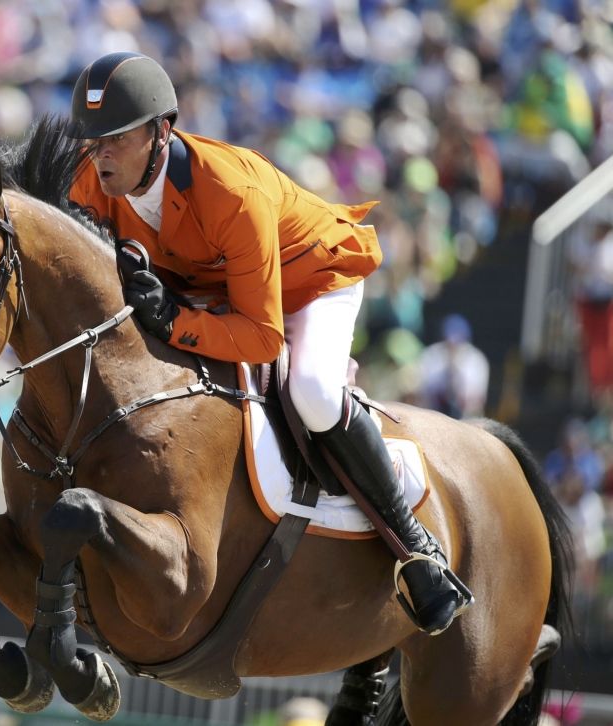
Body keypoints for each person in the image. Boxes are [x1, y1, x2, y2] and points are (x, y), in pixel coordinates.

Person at [67, 51, 470, 634]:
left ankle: (416, 547)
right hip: (216, 288)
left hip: (310, 280)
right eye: (93, 139)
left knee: (309, 390)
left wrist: (176, 321)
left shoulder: (229, 189)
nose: (100, 154)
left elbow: (260, 337)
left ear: (161, 132)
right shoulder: (92, 181)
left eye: (116, 139)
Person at [417, 314, 490, 419]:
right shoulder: (431, 354)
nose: (453, 345)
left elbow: (475, 400)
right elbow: (422, 392)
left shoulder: (476, 359)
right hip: (432, 414)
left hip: (465, 418)